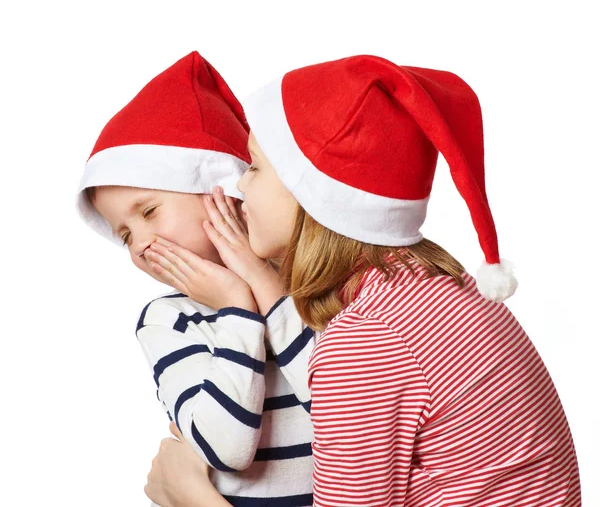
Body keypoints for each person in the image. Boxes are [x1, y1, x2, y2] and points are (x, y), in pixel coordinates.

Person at [145, 54, 582, 506]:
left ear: (309, 191)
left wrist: (191, 496)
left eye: (253, 167)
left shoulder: (367, 338)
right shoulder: (432, 289)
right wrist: (257, 281)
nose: (240, 188)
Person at [76, 51, 314, 506]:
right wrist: (236, 310)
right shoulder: (169, 321)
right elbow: (226, 450)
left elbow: (347, 410)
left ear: (221, 190)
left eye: (148, 211)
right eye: (124, 235)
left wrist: (261, 292)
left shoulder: (314, 287)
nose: (140, 243)